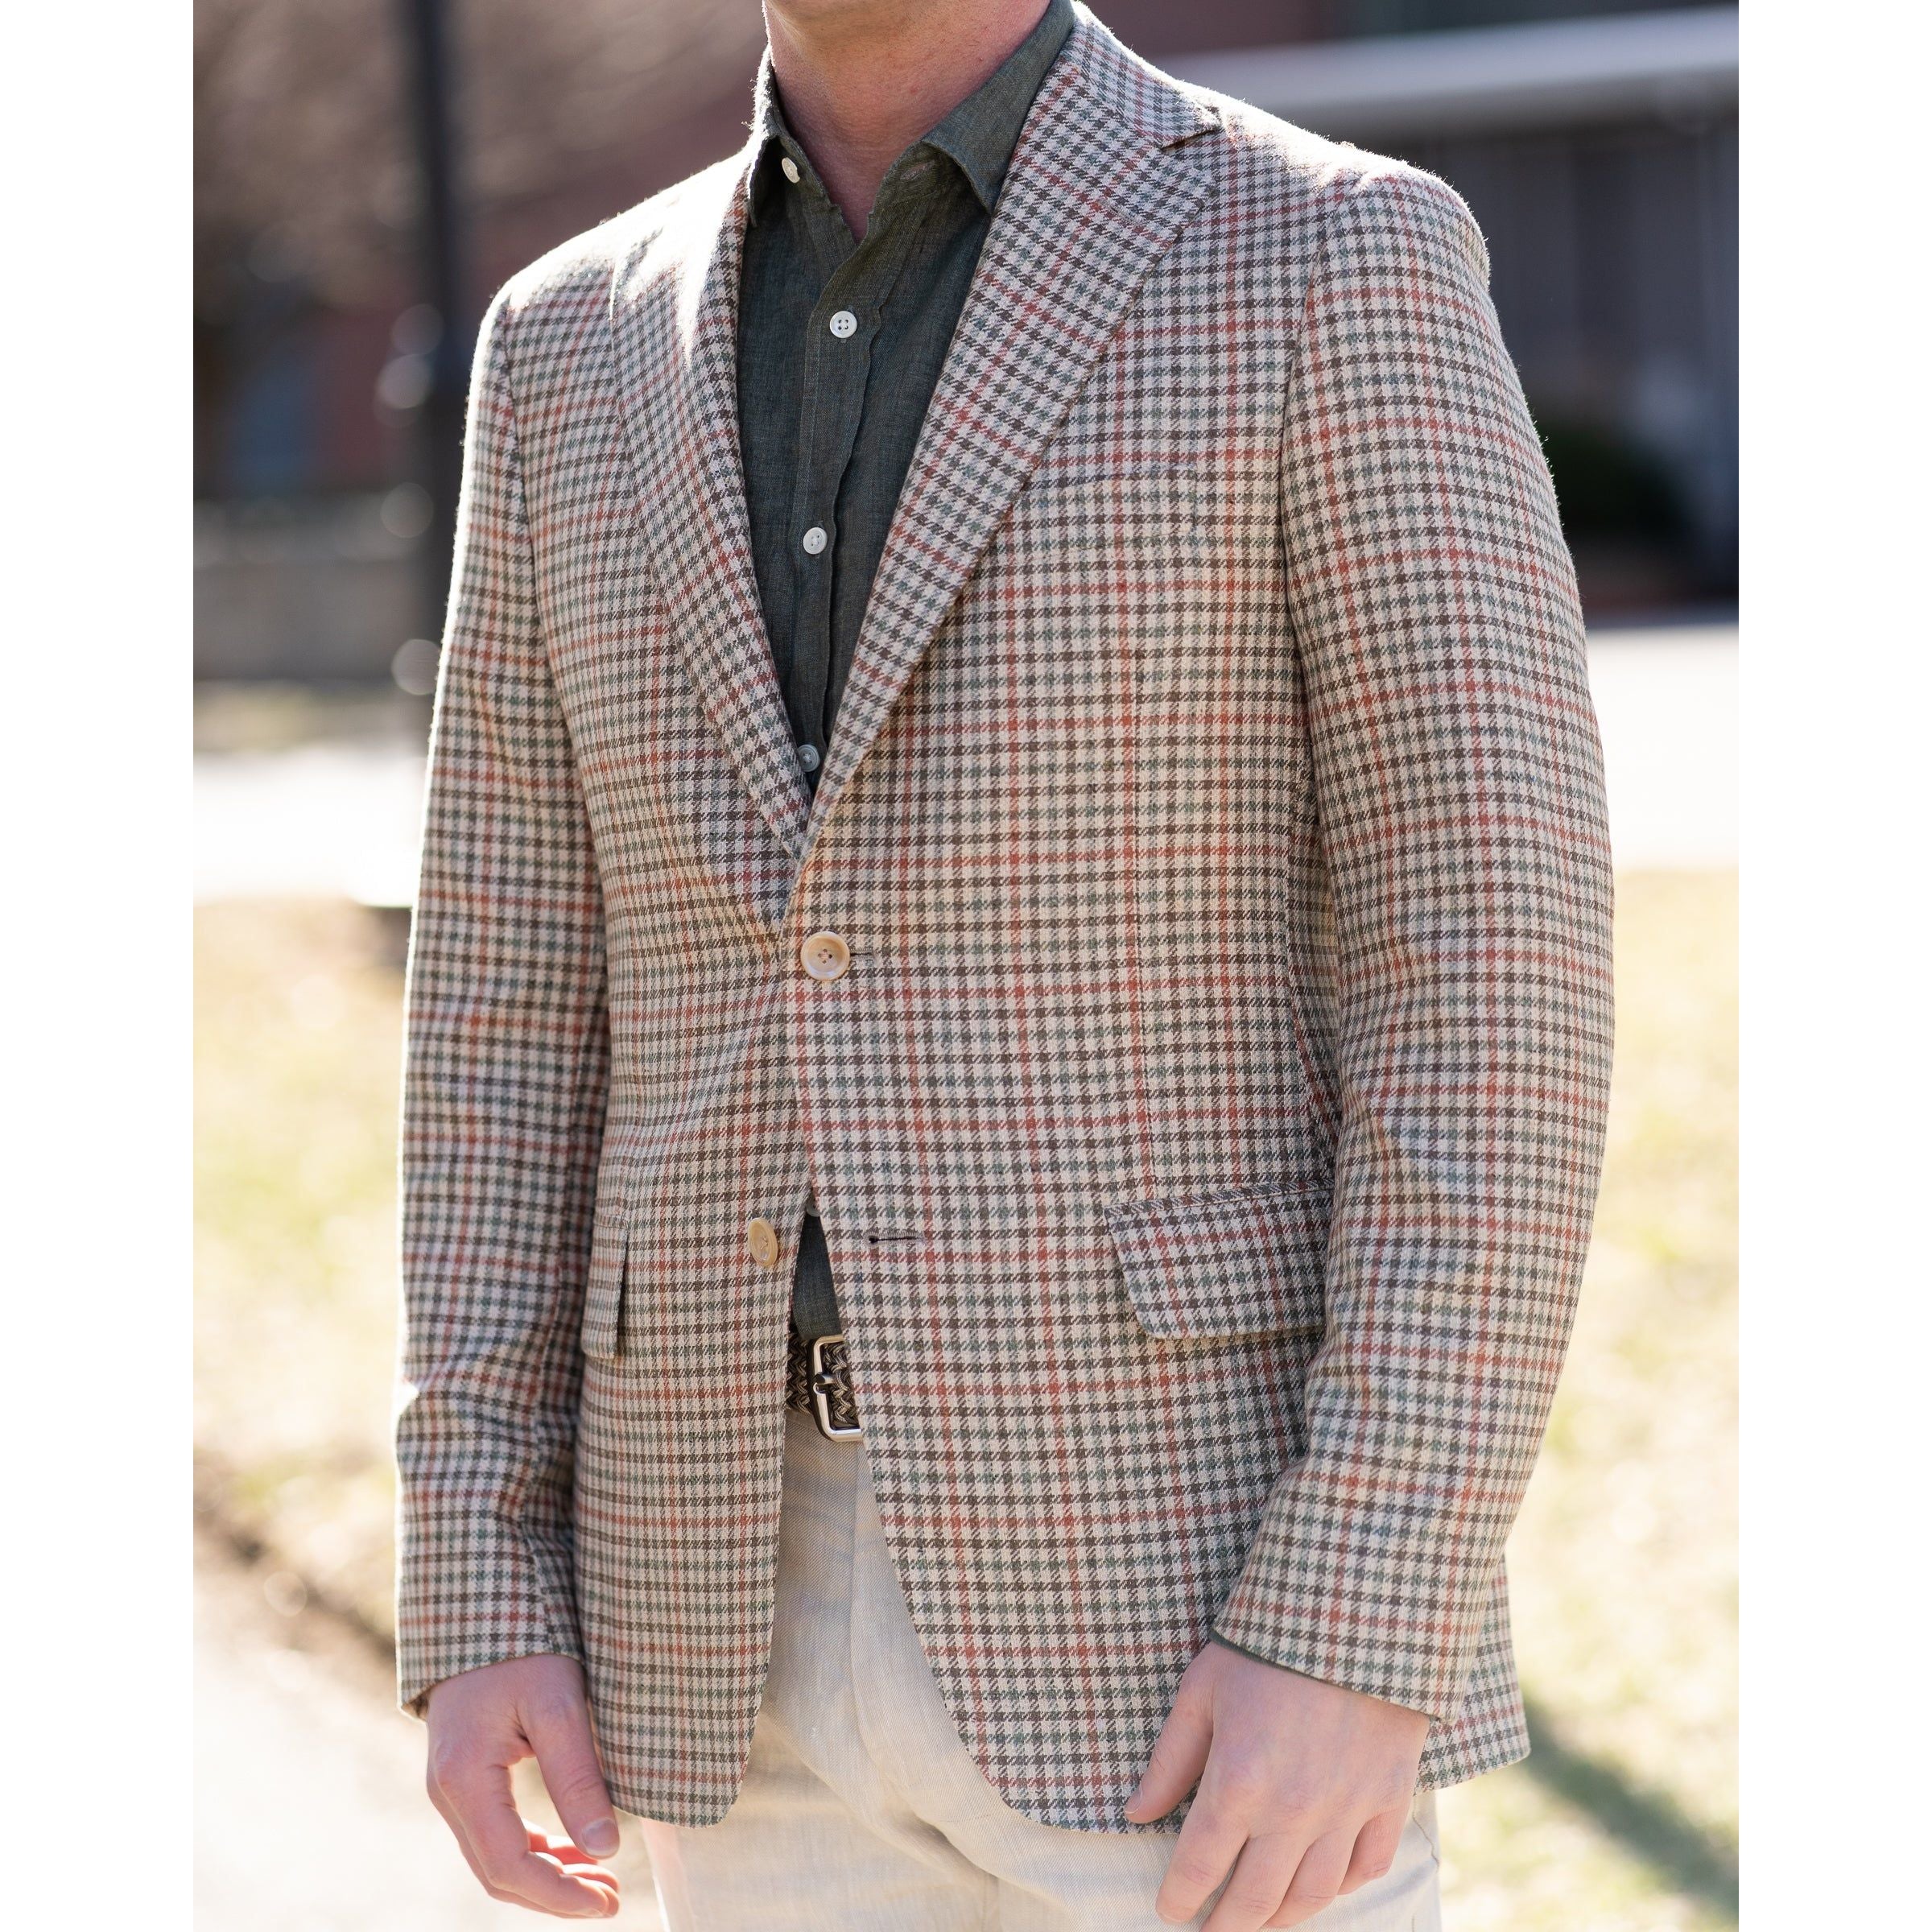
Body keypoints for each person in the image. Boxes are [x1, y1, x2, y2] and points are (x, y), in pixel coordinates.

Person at [394, 1, 1614, 1925]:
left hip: (1197, 1636)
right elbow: (504, 1010)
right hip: (703, 1640)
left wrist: (1363, 1614)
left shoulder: (1331, 257)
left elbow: (1496, 979)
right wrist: (478, 1573)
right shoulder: (562, 342)